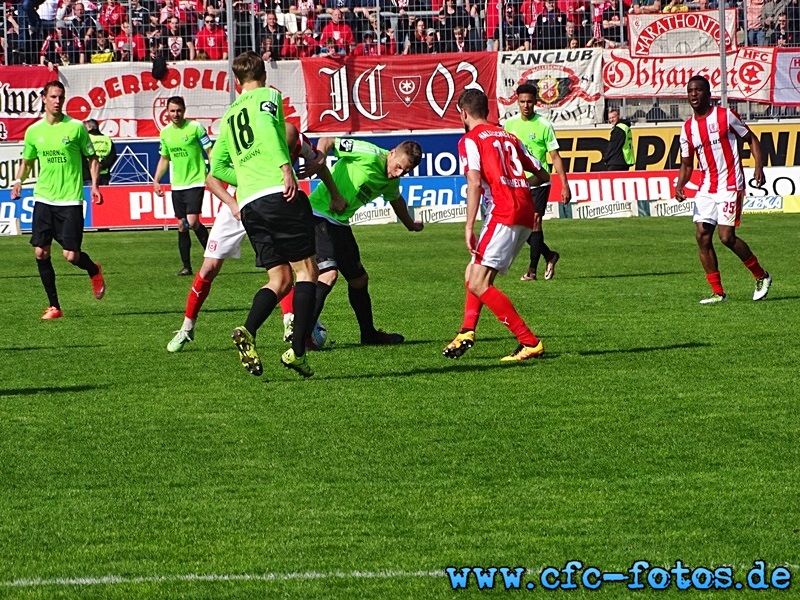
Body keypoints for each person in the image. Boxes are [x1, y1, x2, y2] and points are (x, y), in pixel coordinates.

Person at [167, 123, 345, 353]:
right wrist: (232, 205)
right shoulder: (241, 137)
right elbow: (212, 179)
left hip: (274, 205)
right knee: (209, 268)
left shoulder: (293, 137)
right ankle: (187, 327)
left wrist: (332, 189)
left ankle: (290, 323)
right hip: (239, 204)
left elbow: (317, 160)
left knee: (286, 266)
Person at [205, 51, 319, 378]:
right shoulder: (268, 97)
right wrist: (284, 169)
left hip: (251, 204)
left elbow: (217, 168)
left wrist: (248, 177)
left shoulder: (228, 116)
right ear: (264, 75)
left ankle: (248, 330)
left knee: (279, 279)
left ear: (236, 83)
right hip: (276, 194)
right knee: (308, 271)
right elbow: (270, 131)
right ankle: (298, 352)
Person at [443, 88, 550, 361]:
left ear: (463, 113)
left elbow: (475, 182)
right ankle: (466, 331)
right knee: (474, 275)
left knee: (478, 283)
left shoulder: (470, 139)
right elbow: (542, 173)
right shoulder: (508, 136)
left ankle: (529, 341)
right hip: (525, 212)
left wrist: (468, 226)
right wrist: (518, 186)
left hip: (503, 212)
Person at [307, 136, 423, 346]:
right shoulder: (368, 153)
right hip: (318, 214)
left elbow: (396, 199)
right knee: (328, 274)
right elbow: (328, 140)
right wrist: (320, 159)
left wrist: (410, 224)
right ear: (392, 152)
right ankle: (303, 335)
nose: (398, 173)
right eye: (398, 167)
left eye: (404, 172)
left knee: (359, 280)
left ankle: (368, 334)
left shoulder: (391, 179)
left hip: (339, 223)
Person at [10, 80, 106, 320]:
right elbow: (28, 160)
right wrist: (19, 180)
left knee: (71, 256)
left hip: (70, 200)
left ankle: (93, 269)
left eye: (60, 97)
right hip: (43, 199)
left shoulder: (75, 128)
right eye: (53, 96)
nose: (57, 101)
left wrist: (94, 185)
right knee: (40, 252)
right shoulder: (34, 131)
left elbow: (92, 158)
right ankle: (54, 306)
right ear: (44, 98)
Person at [674, 75, 772, 304]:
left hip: (730, 183)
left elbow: (752, 138)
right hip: (707, 185)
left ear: (708, 94)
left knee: (726, 237)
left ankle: (762, 275)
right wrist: (680, 185)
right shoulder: (687, 129)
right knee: (702, 235)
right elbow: (687, 164)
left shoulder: (725, 116)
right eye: (690, 91)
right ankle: (718, 293)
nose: (693, 94)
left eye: (698, 90)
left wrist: (759, 167)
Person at [504, 82, 571, 282]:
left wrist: (564, 184)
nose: (526, 105)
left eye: (530, 102)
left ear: (536, 102)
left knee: (534, 221)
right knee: (520, 227)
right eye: (522, 102)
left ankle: (532, 270)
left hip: (539, 182)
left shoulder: (544, 125)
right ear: (517, 102)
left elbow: (555, 156)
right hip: (517, 183)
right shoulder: (509, 124)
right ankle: (549, 255)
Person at [153, 96, 212, 276]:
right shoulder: (165, 133)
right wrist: (156, 180)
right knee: (181, 225)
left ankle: (212, 257)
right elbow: (164, 158)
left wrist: (212, 172)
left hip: (195, 181)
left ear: (184, 110)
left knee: (193, 221)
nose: (175, 114)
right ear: (167, 112)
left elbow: (210, 151)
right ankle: (187, 267)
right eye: (172, 111)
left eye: (178, 110)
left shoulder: (195, 128)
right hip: (177, 185)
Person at [82, 119, 117, 185]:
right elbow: (113, 156)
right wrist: (101, 166)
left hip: (88, 175)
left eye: (85, 127)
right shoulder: (107, 139)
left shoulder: (85, 138)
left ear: (90, 128)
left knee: (89, 194)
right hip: (104, 175)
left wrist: (93, 166)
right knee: (103, 195)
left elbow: (82, 156)